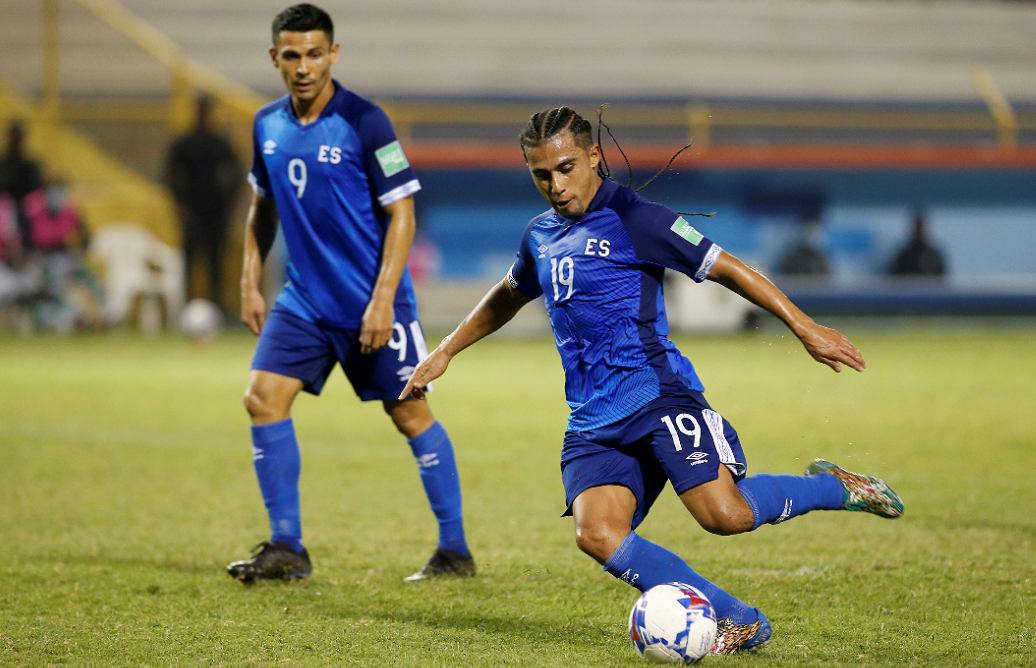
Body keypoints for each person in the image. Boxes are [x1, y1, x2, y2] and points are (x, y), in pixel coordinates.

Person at [400, 107, 902, 654]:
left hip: (658, 396)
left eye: (566, 168)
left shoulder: (638, 219)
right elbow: (508, 293)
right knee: (596, 535)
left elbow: (728, 267)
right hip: (593, 419)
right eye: (542, 175)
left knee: (725, 515)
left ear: (594, 157)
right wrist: (446, 350)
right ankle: (739, 620)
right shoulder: (540, 236)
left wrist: (805, 328)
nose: (556, 185)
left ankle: (838, 486)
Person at [227, 3, 474, 584]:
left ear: (333, 54)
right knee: (262, 399)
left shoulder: (367, 122)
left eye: (315, 53)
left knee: (410, 413)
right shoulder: (266, 124)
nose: (304, 66)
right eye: (292, 55)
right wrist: (248, 280)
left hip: (372, 302)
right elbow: (262, 209)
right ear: (275, 59)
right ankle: (288, 546)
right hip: (305, 303)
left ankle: (455, 550)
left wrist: (384, 298)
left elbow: (403, 214)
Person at [164, 95, 241, 313]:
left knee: (216, 264)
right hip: (191, 212)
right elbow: (169, 176)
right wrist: (179, 206)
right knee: (188, 263)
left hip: (216, 213)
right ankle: (185, 308)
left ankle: (218, 308)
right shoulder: (185, 143)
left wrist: (229, 204)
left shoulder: (219, 143)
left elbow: (237, 174)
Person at [0, 121, 44, 251]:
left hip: (25, 209)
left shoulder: (29, 166)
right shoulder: (3, 165)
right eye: (13, 135)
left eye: (18, 136)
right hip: (4, 209)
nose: (15, 139)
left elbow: (37, 189)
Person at [890, 210, 946, 278]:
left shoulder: (934, 256)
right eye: (917, 227)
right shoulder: (904, 256)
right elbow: (894, 280)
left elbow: (942, 281)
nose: (919, 231)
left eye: (921, 227)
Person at [776, 214, 830, 279]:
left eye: (813, 231)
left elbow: (827, 282)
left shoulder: (820, 260)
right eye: (808, 231)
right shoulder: (792, 258)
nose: (810, 235)